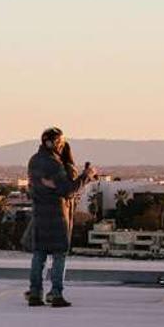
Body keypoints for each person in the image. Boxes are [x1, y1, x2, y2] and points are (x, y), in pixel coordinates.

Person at [27, 128, 94, 308]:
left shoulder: (34, 161)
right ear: (57, 143)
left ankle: (35, 292)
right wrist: (85, 176)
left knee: (39, 255)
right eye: (61, 143)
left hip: (39, 214)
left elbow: (36, 186)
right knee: (59, 255)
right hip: (57, 216)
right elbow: (68, 190)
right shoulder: (55, 165)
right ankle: (56, 293)